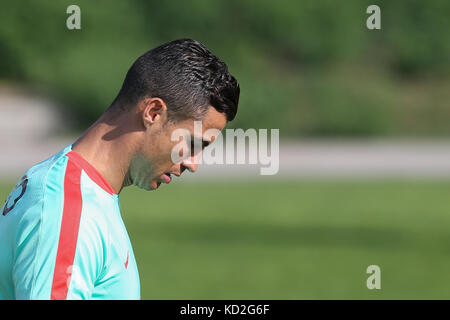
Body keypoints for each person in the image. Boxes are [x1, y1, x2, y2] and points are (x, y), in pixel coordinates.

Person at [0, 38, 240, 299]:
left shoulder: (77, 189)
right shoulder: (67, 208)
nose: (193, 163)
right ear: (153, 112)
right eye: (192, 142)